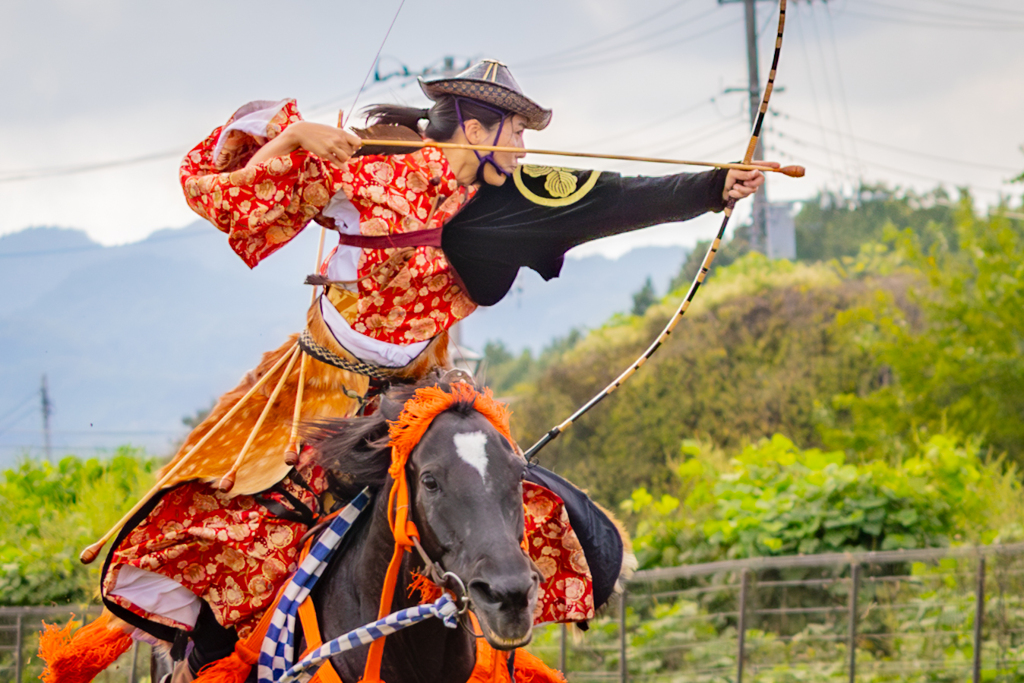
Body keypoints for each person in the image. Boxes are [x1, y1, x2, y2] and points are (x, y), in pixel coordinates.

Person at [95, 59, 769, 679]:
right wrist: (296, 133)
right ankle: (207, 664)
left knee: (487, 504)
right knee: (230, 520)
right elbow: (219, 191)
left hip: (420, 398)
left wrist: (713, 187)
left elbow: (607, 199)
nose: (524, 150)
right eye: (514, 133)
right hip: (316, 390)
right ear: (474, 129)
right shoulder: (369, 170)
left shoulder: (505, 199)